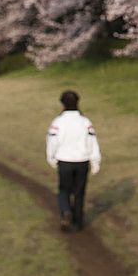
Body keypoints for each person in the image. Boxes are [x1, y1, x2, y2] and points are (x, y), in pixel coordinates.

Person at [46, 90, 101, 231]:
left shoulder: (58, 122)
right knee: (79, 192)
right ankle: (77, 222)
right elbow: (92, 142)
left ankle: (65, 212)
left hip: (64, 161)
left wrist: (51, 158)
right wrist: (95, 161)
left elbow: (52, 141)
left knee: (64, 189)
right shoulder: (85, 122)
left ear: (62, 104)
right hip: (82, 161)